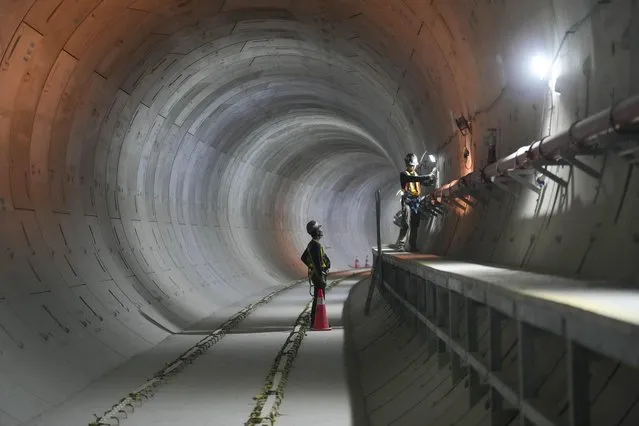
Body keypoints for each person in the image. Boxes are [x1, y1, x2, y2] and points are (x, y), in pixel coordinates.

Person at [392, 153, 436, 252]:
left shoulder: (417, 175)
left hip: (416, 201)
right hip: (407, 200)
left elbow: (423, 182)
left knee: (415, 224)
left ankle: (413, 246)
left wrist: (431, 179)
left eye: (413, 165)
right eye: (411, 165)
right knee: (405, 223)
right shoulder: (404, 175)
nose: (412, 167)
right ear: (407, 165)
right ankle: (400, 245)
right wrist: (426, 176)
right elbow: (413, 179)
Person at [300, 220, 331, 324]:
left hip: (316, 275)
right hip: (318, 276)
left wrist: (311, 267)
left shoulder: (312, 244)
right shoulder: (315, 246)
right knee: (320, 299)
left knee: (317, 298)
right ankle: (317, 320)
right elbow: (318, 264)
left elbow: (303, 258)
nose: (321, 231)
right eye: (319, 229)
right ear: (316, 232)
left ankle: (315, 319)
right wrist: (320, 276)